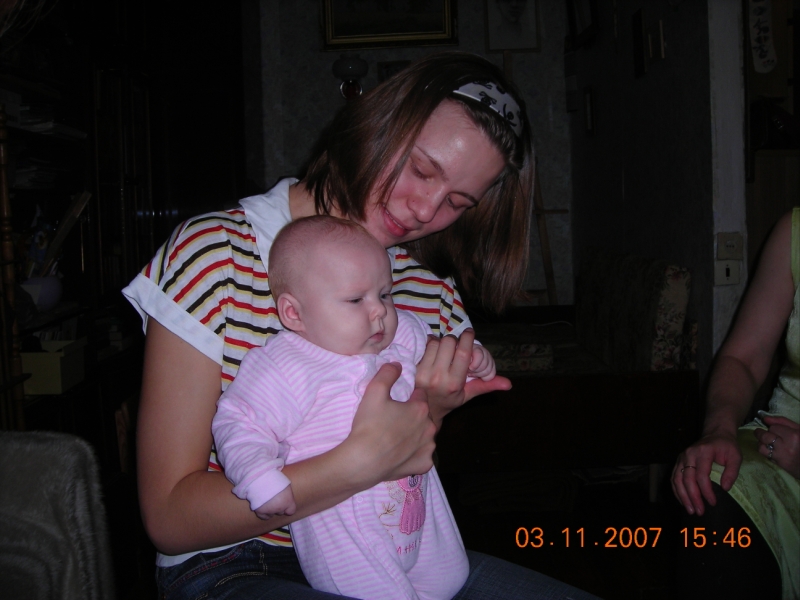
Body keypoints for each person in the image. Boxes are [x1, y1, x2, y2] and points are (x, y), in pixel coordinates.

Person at [124, 51, 599, 599]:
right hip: (232, 559)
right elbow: (169, 518)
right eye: (421, 170)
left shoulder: (427, 294)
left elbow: (402, 483)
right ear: (380, 123)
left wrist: (430, 409)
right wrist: (355, 464)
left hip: (390, 554)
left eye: (457, 201)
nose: (426, 210)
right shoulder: (216, 256)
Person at [213, 216, 497, 600]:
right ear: (294, 313)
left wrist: (469, 359)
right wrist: (259, 478)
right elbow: (239, 421)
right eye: (355, 300)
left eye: (385, 294)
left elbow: (436, 354)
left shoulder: (401, 334)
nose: (379, 312)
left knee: (451, 576)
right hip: (346, 534)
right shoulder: (285, 365)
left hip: (415, 506)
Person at [672, 207, 799, 599]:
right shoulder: (794, 232)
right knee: (709, 482)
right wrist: (719, 430)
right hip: (783, 439)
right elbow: (744, 357)